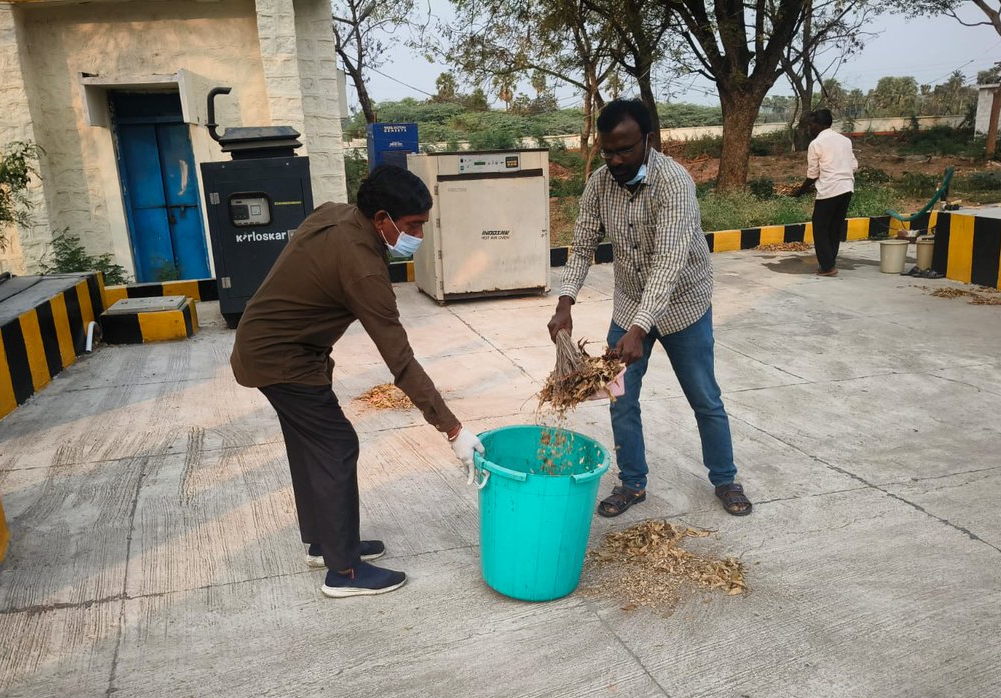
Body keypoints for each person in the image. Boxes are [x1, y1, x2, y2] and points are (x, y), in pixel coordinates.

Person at [230, 165, 485, 598]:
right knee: (337, 446)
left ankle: (325, 544)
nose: (419, 236)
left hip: (271, 346)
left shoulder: (337, 213)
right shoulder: (363, 268)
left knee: (311, 445)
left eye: (423, 224)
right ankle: (344, 572)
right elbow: (399, 361)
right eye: (412, 226)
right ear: (382, 218)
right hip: (282, 359)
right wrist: (452, 429)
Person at [547, 98, 752, 518]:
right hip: (628, 306)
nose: (616, 159)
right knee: (621, 400)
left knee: (704, 397)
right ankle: (632, 483)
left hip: (683, 306)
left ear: (648, 140)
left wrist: (641, 328)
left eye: (625, 149)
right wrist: (565, 302)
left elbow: (670, 261)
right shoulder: (600, 184)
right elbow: (583, 245)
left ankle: (725, 478)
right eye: (608, 151)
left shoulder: (674, 182)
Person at [791, 109, 858, 276]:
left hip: (829, 190)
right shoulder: (845, 141)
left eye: (811, 125)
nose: (809, 128)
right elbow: (854, 165)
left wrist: (800, 191)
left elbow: (813, 174)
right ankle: (830, 262)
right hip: (846, 188)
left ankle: (827, 267)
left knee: (820, 227)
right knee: (834, 228)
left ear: (820, 124)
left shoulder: (816, 144)